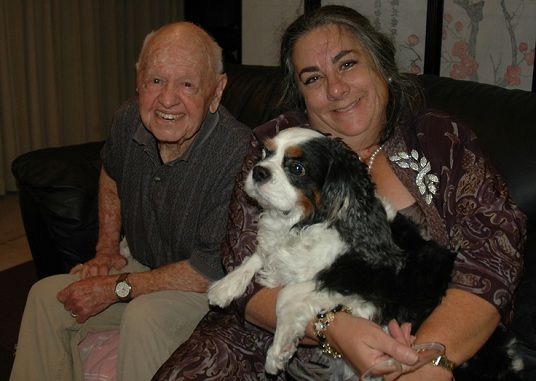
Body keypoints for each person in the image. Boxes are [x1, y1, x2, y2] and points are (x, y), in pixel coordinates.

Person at [153, 5, 527, 381]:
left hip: (423, 338)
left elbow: (492, 261)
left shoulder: (443, 140)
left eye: (347, 64)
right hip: (263, 340)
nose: (335, 89)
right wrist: (329, 326)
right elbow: (241, 264)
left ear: (380, 64)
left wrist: (428, 361)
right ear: (300, 95)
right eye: (313, 78)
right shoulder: (274, 143)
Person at [10, 22, 253, 381]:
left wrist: (117, 288)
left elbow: (207, 271)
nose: (168, 100)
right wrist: (107, 246)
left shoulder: (237, 154)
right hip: (144, 266)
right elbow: (111, 172)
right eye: (156, 80)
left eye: (187, 84)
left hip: (210, 292)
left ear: (216, 92)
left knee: (145, 316)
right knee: (47, 298)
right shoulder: (128, 119)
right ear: (138, 79)